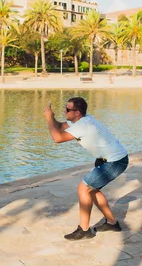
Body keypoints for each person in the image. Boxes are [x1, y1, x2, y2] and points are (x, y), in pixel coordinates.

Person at [44, 97, 129, 240]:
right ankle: (112, 223)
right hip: (108, 159)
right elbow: (59, 127)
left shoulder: (83, 125)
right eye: (65, 108)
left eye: (68, 109)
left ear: (77, 112)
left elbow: (57, 138)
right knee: (92, 190)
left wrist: (48, 119)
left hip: (115, 161)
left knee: (83, 188)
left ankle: (84, 230)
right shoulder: (80, 120)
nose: (64, 111)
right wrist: (52, 117)